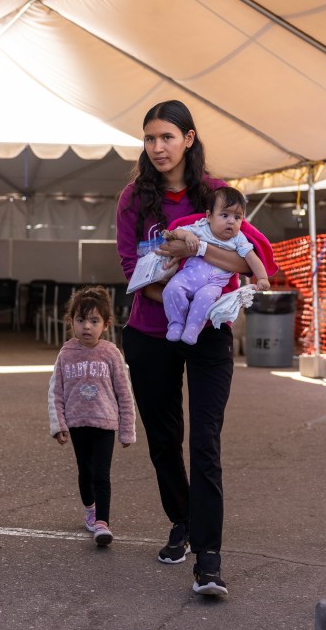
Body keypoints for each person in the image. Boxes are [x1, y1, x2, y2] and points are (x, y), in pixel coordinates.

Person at [115, 99, 278, 597]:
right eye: (149, 138)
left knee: (204, 443)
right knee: (164, 441)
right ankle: (181, 521)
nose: (157, 147)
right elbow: (130, 270)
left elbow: (255, 259)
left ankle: (209, 559)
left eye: (167, 136)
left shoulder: (217, 194)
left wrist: (202, 251)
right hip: (150, 333)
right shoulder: (133, 199)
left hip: (207, 335)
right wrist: (175, 300)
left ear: (188, 139)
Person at [47, 285, 136, 547]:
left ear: (106, 324)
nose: (87, 326)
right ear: (71, 321)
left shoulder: (111, 354)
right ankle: (90, 510)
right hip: (77, 424)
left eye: (94, 321)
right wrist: (58, 424)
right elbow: (56, 391)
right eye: (81, 320)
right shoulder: (66, 353)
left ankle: (102, 523)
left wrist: (127, 430)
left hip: (105, 424)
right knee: (85, 473)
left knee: (101, 474)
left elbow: (124, 393)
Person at [161, 186, 271, 345]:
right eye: (224, 215)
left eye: (237, 217)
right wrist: (188, 236)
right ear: (209, 216)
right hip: (188, 277)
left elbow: (252, 258)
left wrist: (262, 278)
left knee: (205, 298)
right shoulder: (200, 228)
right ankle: (176, 323)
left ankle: (193, 328)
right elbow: (177, 232)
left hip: (214, 283)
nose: (231, 221)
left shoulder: (238, 239)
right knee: (171, 290)